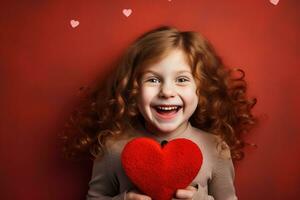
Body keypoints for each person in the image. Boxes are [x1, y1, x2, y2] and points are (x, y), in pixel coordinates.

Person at [61, 25, 258, 200]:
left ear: (202, 88)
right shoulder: (112, 147)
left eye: (181, 79)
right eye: (153, 80)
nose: (166, 92)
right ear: (132, 88)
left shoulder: (215, 148)